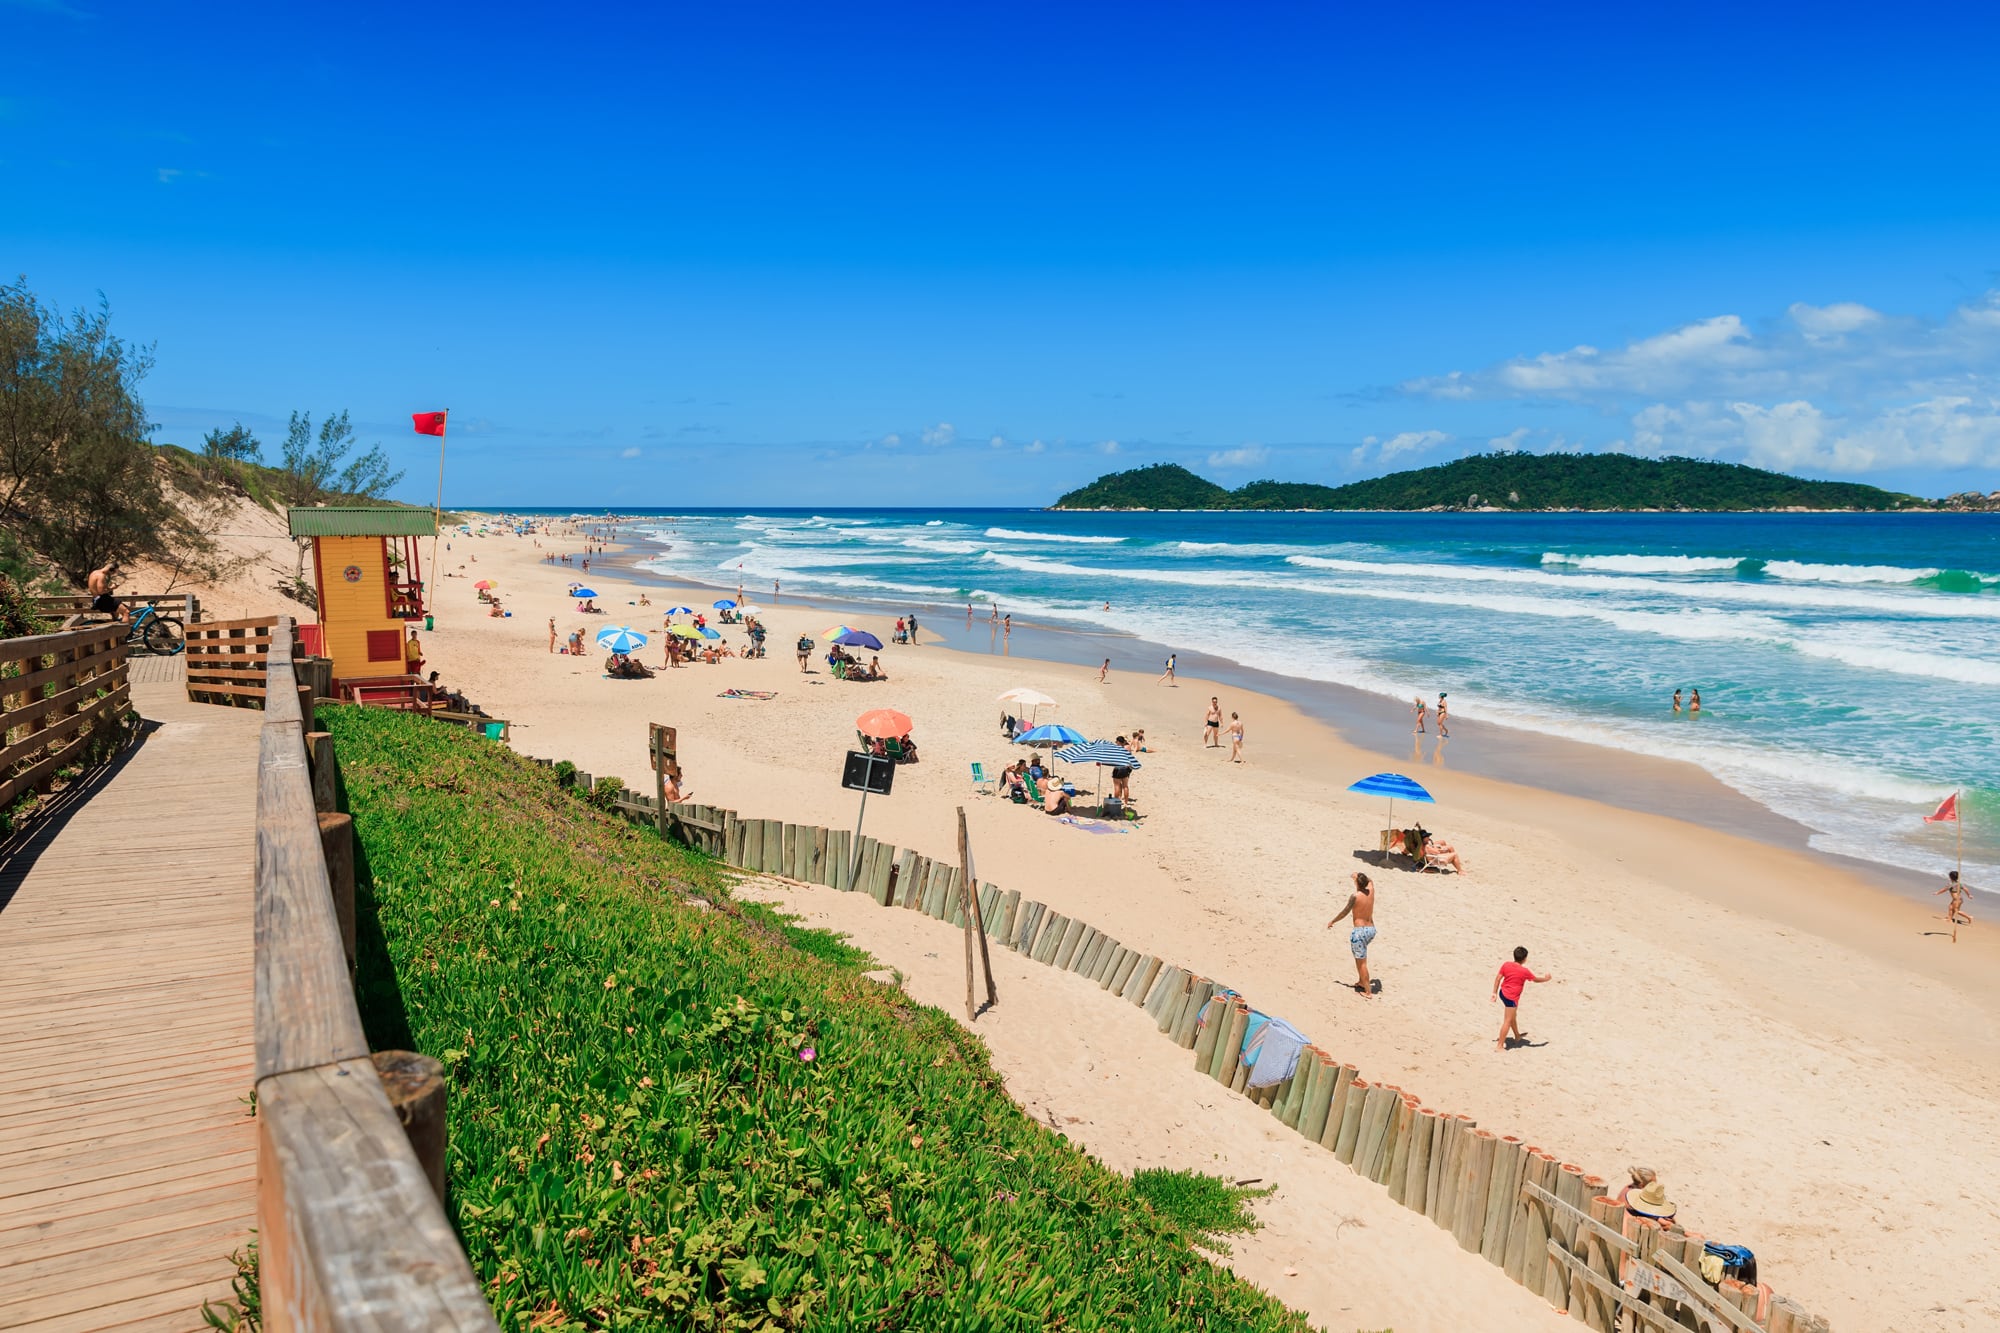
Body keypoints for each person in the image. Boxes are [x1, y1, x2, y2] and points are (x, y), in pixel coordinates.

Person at [1325, 872, 1377, 997]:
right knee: (1361, 958)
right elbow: (1371, 881)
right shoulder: (1371, 891)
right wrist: (1360, 876)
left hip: (1359, 933)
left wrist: (1333, 921)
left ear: (1357, 883)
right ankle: (1361, 981)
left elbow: (1345, 912)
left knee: (1361, 963)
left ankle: (1368, 991)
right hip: (1371, 930)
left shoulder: (1355, 896)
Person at [1491, 946, 1551, 1051]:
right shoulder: (1524, 971)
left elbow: (1498, 979)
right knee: (1508, 1021)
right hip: (1511, 998)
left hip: (1502, 993)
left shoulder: (1506, 964)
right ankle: (1499, 1046)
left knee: (1512, 1015)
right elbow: (1535, 980)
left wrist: (1494, 993)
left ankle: (1517, 1036)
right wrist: (1546, 979)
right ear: (1524, 959)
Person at [1938, 870, 1974, 940]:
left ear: (1950, 877)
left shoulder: (1951, 884)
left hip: (1957, 900)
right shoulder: (1959, 884)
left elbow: (1944, 889)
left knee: (1957, 911)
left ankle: (1969, 917)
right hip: (1958, 899)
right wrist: (1969, 895)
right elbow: (1965, 889)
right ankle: (1950, 919)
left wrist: (1937, 893)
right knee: (1950, 907)